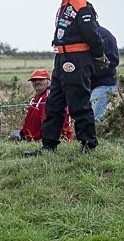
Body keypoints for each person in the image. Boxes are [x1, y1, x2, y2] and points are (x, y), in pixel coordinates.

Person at [26, 0, 107, 156]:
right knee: (53, 103)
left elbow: (91, 33)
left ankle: (88, 145)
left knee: (78, 103)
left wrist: (98, 55)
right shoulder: (65, 4)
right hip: (61, 57)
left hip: (76, 58)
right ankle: (49, 145)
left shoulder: (81, 5)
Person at [11, 69, 73, 142]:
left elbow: (49, 124)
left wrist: (41, 140)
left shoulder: (49, 98)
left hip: (45, 140)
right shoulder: (38, 97)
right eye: (34, 80)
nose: (36, 82)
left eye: (40, 79)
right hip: (32, 138)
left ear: (48, 81)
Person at [90, 25, 119, 124]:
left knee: (96, 119)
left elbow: (113, 61)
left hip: (103, 83)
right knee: (88, 119)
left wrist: (93, 73)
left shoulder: (105, 36)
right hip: (87, 84)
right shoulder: (82, 35)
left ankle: (98, 138)